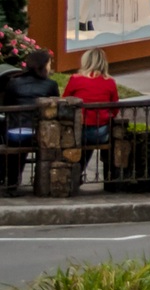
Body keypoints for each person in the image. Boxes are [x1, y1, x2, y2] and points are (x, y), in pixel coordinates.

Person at [2, 51, 59, 191]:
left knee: (13, 146)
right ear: (44, 65)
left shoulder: (13, 83)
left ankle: (11, 182)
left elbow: (6, 106)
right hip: (39, 134)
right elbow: (56, 107)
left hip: (14, 133)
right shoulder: (51, 85)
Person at [62, 48, 119, 155]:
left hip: (78, 130)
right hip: (100, 132)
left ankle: (78, 169)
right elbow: (115, 108)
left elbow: (65, 100)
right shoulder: (110, 82)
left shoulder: (76, 79)